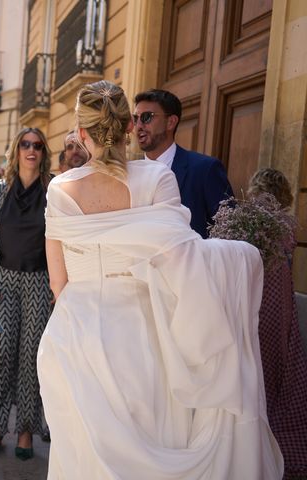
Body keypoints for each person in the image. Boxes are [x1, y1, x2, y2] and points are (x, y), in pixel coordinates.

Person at [37, 80, 283, 479]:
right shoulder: (156, 179)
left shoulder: (60, 189)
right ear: (128, 127)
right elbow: (182, 262)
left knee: (83, 458)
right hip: (142, 334)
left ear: (81, 134)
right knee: (154, 443)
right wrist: (244, 256)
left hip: (74, 337)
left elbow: (58, 282)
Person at [0, 127, 53, 460]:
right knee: (0, 355)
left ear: (44, 152)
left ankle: (25, 430)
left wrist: (56, 284)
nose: (31, 150)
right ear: (16, 149)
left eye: (37, 145)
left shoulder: (54, 191)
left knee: (31, 358)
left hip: (39, 282)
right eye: (25, 144)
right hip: (2, 282)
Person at [247, 168, 307, 478]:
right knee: (282, 369)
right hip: (283, 308)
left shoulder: (261, 224)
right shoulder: (288, 225)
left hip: (261, 304)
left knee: (260, 368)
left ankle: (259, 438)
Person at [133, 89, 233, 238]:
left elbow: (229, 230)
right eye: (135, 119)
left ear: (171, 122)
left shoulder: (205, 169)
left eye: (147, 117)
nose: (139, 125)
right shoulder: (129, 172)